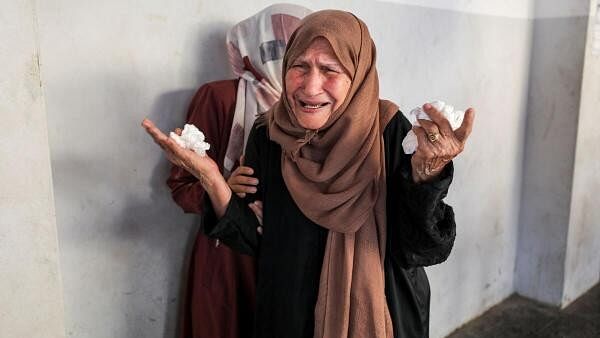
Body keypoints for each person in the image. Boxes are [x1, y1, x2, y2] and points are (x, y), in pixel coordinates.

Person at [144, 9, 475, 338]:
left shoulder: (387, 130)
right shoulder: (269, 134)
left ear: (358, 74)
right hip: (288, 313)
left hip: (385, 311)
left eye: (330, 69)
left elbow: (421, 249)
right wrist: (213, 181)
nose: (311, 86)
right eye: (299, 66)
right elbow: (254, 239)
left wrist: (427, 178)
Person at [165, 4, 311, 338]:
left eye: (296, 49)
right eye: (272, 49)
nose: (283, 59)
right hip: (229, 259)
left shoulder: (317, 107)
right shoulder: (220, 98)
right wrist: (222, 188)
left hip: (292, 255)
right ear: (251, 50)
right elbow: (181, 186)